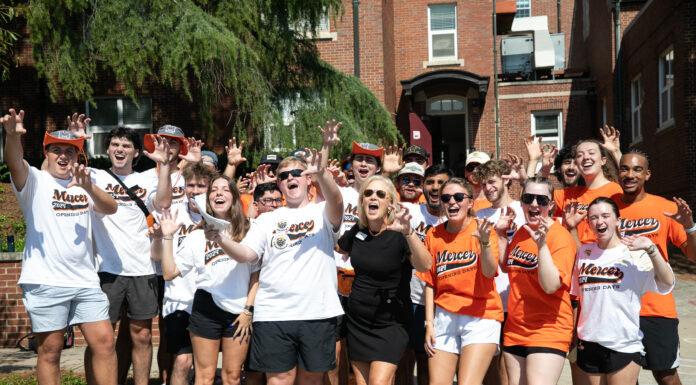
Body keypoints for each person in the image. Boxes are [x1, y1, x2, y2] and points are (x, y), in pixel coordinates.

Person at [206, 121, 344, 385]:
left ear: (307, 179)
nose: (290, 178)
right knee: (279, 379)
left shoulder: (321, 211)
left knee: (311, 381)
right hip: (274, 314)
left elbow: (336, 202)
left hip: (317, 312)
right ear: (279, 184)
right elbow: (247, 254)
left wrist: (323, 172)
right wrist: (221, 239)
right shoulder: (267, 220)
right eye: (284, 175)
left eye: (296, 173)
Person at [2, 109, 118, 385]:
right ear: (46, 153)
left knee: (104, 343)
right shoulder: (34, 181)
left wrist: (88, 187)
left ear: (78, 155)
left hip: (86, 281)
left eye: (70, 151)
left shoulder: (85, 183)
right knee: (51, 351)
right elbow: (14, 161)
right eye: (56, 150)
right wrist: (11, 136)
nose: (63, 156)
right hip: (45, 281)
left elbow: (110, 207)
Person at [89, 126, 172, 385]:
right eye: (115, 144)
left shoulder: (148, 178)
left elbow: (164, 202)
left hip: (142, 267)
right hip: (106, 270)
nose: (120, 149)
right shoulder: (94, 176)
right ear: (107, 149)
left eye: (126, 146)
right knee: (101, 338)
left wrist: (165, 165)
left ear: (136, 153)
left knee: (142, 336)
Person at [159, 175, 258, 385]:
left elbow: (254, 272)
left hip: (240, 312)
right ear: (208, 199)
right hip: (206, 309)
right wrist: (167, 237)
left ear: (234, 196)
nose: (218, 193)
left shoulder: (250, 230)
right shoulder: (196, 236)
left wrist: (248, 309)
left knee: (232, 377)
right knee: (204, 377)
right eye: (213, 190)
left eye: (225, 189)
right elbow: (169, 273)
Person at [337, 175, 431, 385]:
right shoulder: (358, 230)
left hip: (391, 323)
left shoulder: (399, 233)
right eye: (368, 193)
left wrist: (409, 232)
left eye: (380, 194)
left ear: (390, 203)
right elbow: (340, 247)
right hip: (358, 321)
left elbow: (425, 265)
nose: (373, 198)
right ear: (362, 200)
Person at [570, 197, 675, 385]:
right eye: (593, 217)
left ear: (618, 220)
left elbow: (667, 281)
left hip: (623, 344)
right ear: (588, 223)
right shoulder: (583, 254)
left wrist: (651, 249)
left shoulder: (634, 252)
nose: (599, 221)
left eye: (605, 216)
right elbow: (578, 296)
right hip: (589, 341)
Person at [613, 150, 696, 385]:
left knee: (667, 376)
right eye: (624, 168)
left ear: (647, 175)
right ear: (618, 173)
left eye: (637, 169)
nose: (630, 174)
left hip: (656, 308)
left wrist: (689, 227)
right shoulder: (607, 210)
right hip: (618, 309)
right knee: (623, 378)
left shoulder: (665, 208)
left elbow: (693, 256)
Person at [416, 177, 503, 385]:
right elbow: (430, 283)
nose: (452, 202)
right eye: (446, 198)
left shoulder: (483, 230)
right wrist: (429, 324)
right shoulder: (434, 235)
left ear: (470, 202)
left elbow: (490, 272)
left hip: (481, 315)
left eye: (458, 197)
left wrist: (484, 244)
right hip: (445, 316)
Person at [495, 177, 576, 385]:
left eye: (541, 200)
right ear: (521, 202)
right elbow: (507, 266)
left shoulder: (560, 237)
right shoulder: (522, 232)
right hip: (516, 327)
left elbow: (551, 286)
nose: (534, 204)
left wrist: (542, 246)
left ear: (551, 205)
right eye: (528, 198)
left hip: (548, 327)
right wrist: (501, 234)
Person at [149, 162, 216, 385]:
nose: (195, 191)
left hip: (211, 300)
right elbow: (157, 257)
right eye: (191, 185)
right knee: (181, 362)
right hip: (178, 299)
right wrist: (159, 237)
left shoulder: (220, 216)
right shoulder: (172, 212)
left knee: (205, 365)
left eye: (201, 186)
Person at [395, 164, 451, 385]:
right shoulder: (410, 211)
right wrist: (388, 173)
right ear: (423, 187)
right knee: (403, 363)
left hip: (443, 306)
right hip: (410, 300)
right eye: (430, 182)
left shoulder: (458, 217)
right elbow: (375, 196)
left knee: (429, 366)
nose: (435, 188)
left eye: (441, 183)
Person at [474, 160, 528, 385]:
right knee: (488, 370)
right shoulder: (479, 214)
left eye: (492, 181)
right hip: (488, 300)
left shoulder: (523, 209)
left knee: (511, 368)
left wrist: (525, 174)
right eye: (484, 184)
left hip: (516, 300)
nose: (488, 188)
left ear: (506, 180)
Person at [553, 139, 622, 247]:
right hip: (574, 257)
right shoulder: (568, 194)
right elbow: (534, 198)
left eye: (591, 153)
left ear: (603, 160)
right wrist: (540, 166)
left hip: (603, 258)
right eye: (580, 155)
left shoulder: (615, 190)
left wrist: (616, 153)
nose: (585, 157)